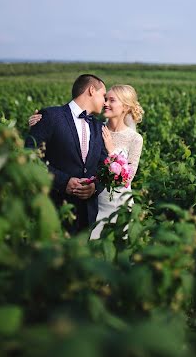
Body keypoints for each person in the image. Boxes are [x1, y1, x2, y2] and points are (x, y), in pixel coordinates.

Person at [29, 84, 144, 240]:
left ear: (124, 107)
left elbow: (127, 178)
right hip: (94, 202)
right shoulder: (95, 127)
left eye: (111, 100)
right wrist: (40, 122)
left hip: (118, 204)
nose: (105, 103)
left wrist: (112, 152)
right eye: (105, 99)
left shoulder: (135, 139)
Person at [25, 74, 107, 235]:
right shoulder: (50, 116)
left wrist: (94, 186)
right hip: (54, 209)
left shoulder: (98, 127)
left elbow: (103, 165)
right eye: (103, 96)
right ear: (91, 90)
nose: (105, 102)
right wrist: (63, 182)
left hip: (88, 215)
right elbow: (30, 157)